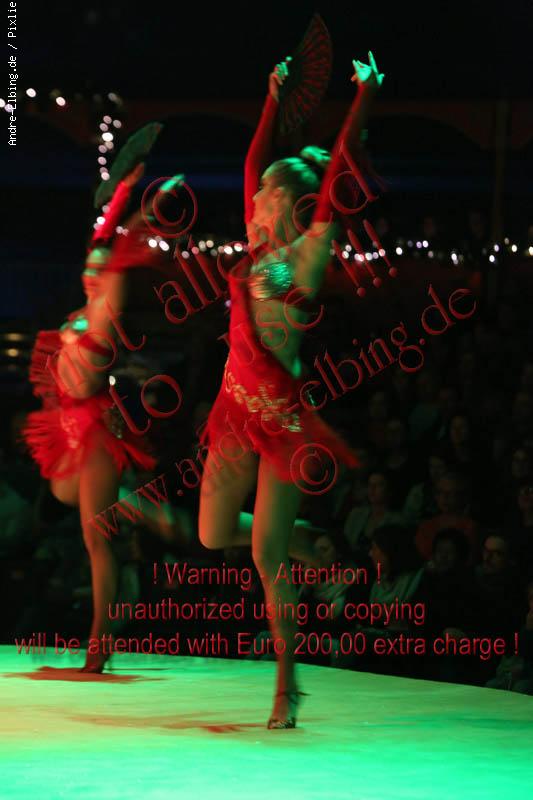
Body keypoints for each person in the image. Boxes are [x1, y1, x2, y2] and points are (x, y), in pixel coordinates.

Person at [198, 51, 384, 728]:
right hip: (232, 408)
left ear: (284, 201)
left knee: (262, 556)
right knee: (212, 533)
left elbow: (336, 176)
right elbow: (253, 161)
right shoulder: (255, 247)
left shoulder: (306, 254)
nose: (252, 201)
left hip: (279, 419)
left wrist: (364, 96)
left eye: (263, 196)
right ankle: (305, 538)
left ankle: (286, 684)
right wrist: (272, 97)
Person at [22, 164, 157, 672]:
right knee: (62, 494)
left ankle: (99, 645)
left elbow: (115, 256)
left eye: (100, 270)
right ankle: (139, 506)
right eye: (88, 266)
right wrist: (121, 192)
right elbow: (101, 243)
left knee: (96, 539)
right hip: (71, 428)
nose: (92, 273)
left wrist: (139, 212)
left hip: (96, 433)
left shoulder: (104, 314)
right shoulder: (80, 313)